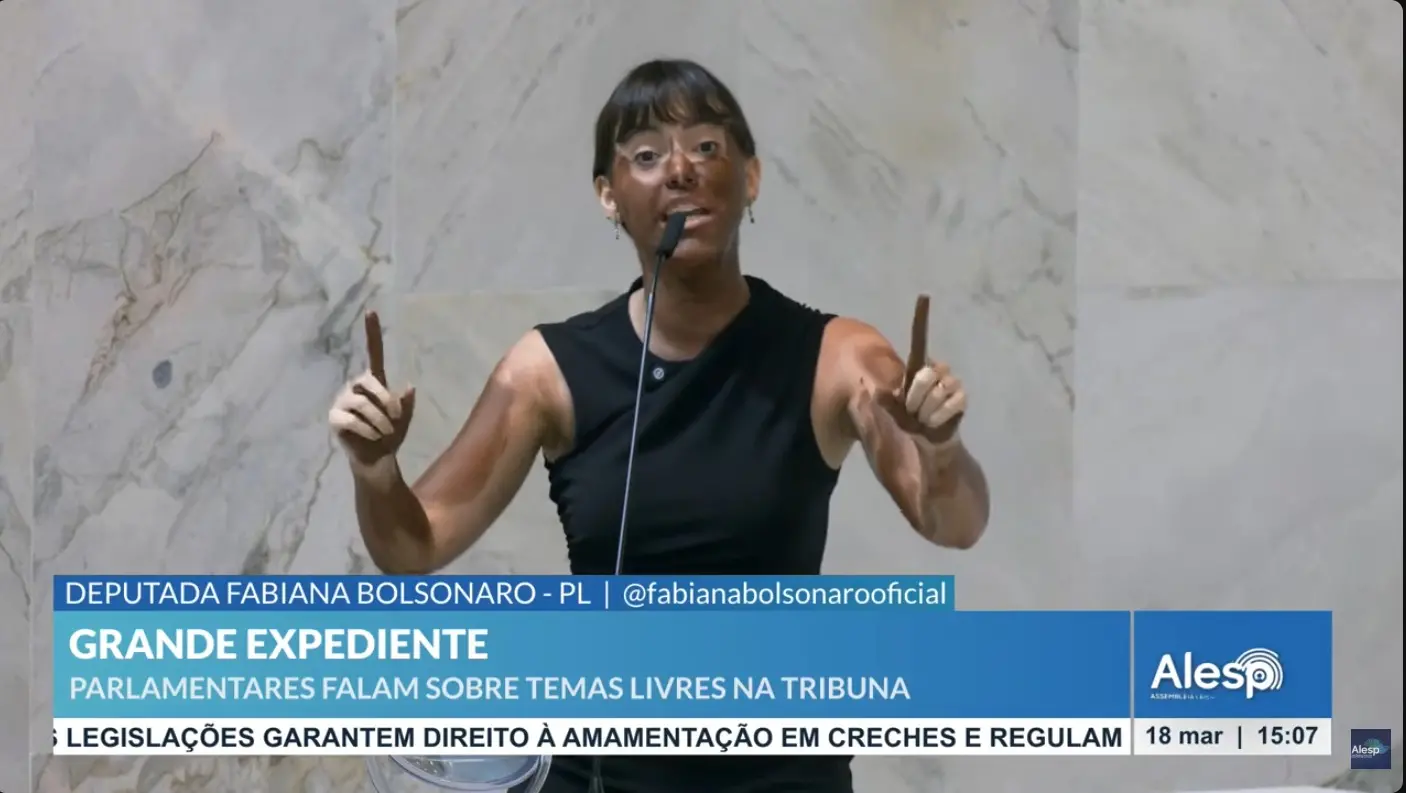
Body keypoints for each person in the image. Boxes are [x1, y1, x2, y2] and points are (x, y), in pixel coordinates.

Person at [328, 58, 991, 793]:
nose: (680, 168)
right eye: (646, 155)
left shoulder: (838, 356)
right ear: (609, 198)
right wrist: (375, 470)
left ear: (751, 178)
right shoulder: (549, 369)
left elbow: (951, 519)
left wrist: (941, 444)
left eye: (707, 146)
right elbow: (413, 543)